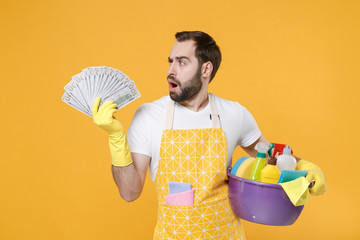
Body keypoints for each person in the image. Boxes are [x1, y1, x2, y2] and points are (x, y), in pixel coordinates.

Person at [92, 31, 326, 239]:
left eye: (182, 63)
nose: (170, 71)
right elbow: (130, 192)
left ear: (206, 69)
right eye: (171, 62)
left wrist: (304, 166)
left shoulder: (235, 113)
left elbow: (272, 159)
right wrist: (115, 138)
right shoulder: (149, 115)